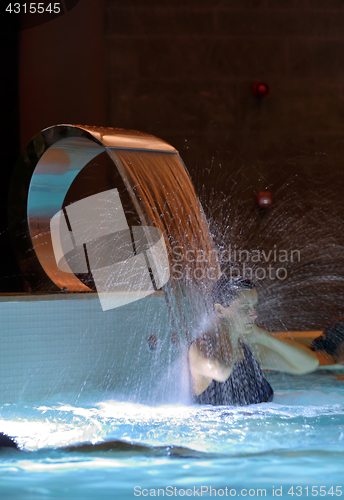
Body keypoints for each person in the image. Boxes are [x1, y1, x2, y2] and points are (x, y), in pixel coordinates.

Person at [187, 276, 319, 406]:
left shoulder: (250, 351)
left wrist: (264, 336)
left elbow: (309, 364)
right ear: (220, 310)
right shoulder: (199, 350)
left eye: (254, 306)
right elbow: (222, 372)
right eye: (245, 308)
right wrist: (226, 331)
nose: (255, 314)